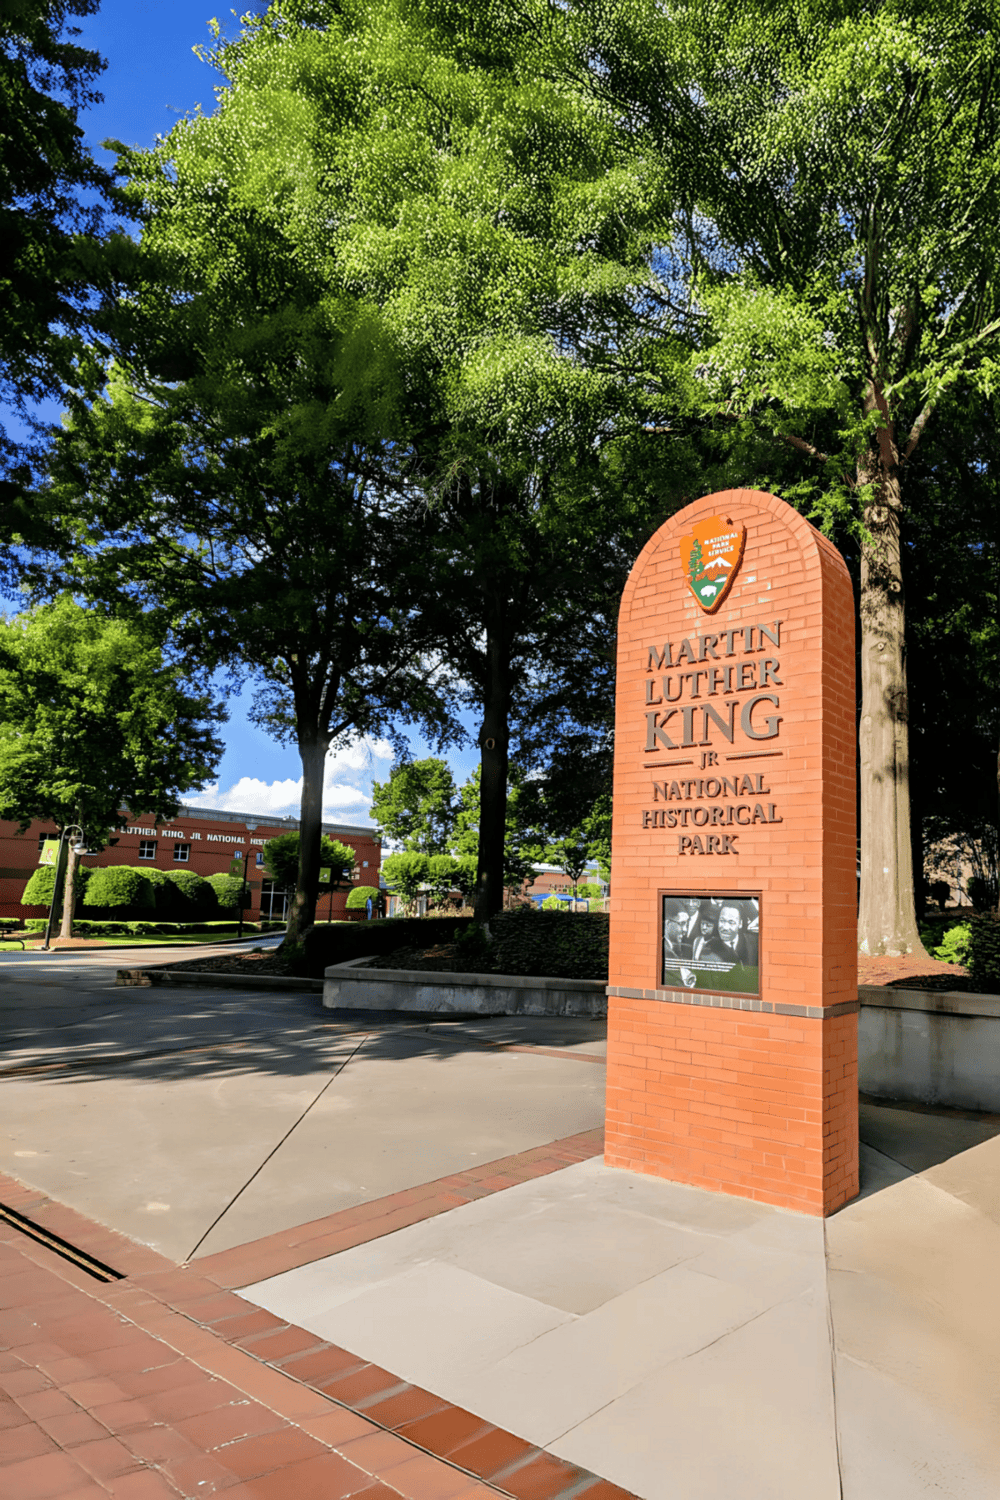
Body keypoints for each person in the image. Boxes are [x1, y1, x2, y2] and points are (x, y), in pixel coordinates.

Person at [704, 902, 758, 968]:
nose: (725, 927)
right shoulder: (708, 948)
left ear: (740, 924)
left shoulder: (754, 943)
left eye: (731, 922)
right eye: (722, 921)